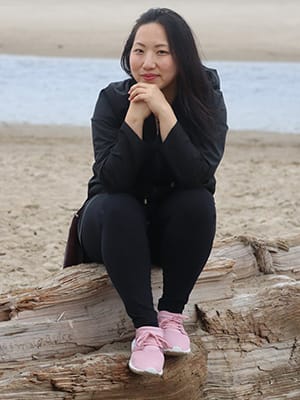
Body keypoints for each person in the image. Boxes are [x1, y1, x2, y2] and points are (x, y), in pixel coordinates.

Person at [75, 7, 227, 376]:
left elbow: (199, 175)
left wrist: (164, 113)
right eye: (139, 50)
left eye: (162, 51)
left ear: (182, 56)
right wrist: (136, 117)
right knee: (118, 205)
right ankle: (146, 330)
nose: (148, 62)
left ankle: (171, 315)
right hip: (109, 227)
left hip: (168, 231)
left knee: (198, 203)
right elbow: (111, 181)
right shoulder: (112, 100)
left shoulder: (205, 97)